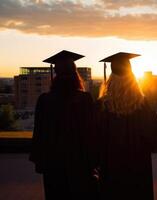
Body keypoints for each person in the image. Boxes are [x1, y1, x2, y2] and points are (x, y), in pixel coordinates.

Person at [29, 50, 97, 200]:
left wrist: (40, 161)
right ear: (75, 73)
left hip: (53, 164)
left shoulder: (44, 100)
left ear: (56, 75)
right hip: (79, 164)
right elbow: (92, 133)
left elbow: (39, 133)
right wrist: (94, 162)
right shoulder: (85, 99)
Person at [95, 52, 157, 200]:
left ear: (111, 79)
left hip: (111, 167)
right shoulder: (142, 105)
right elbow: (153, 134)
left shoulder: (101, 106)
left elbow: (94, 138)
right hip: (138, 167)